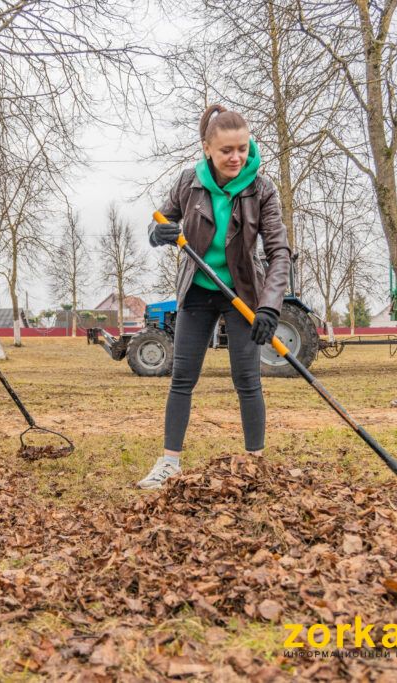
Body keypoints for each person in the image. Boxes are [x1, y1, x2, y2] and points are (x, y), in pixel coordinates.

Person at [137, 104, 291, 489]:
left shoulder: (262, 189)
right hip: (198, 290)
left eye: (242, 148)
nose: (236, 157)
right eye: (226, 150)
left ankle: (256, 464)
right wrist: (158, 234)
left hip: (243, 292)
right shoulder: (188, 182)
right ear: (207, 148)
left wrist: (269, 306)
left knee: (247, 379)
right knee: (182, 377)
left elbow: (279, 252)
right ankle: (169, 463)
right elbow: (161, 222)